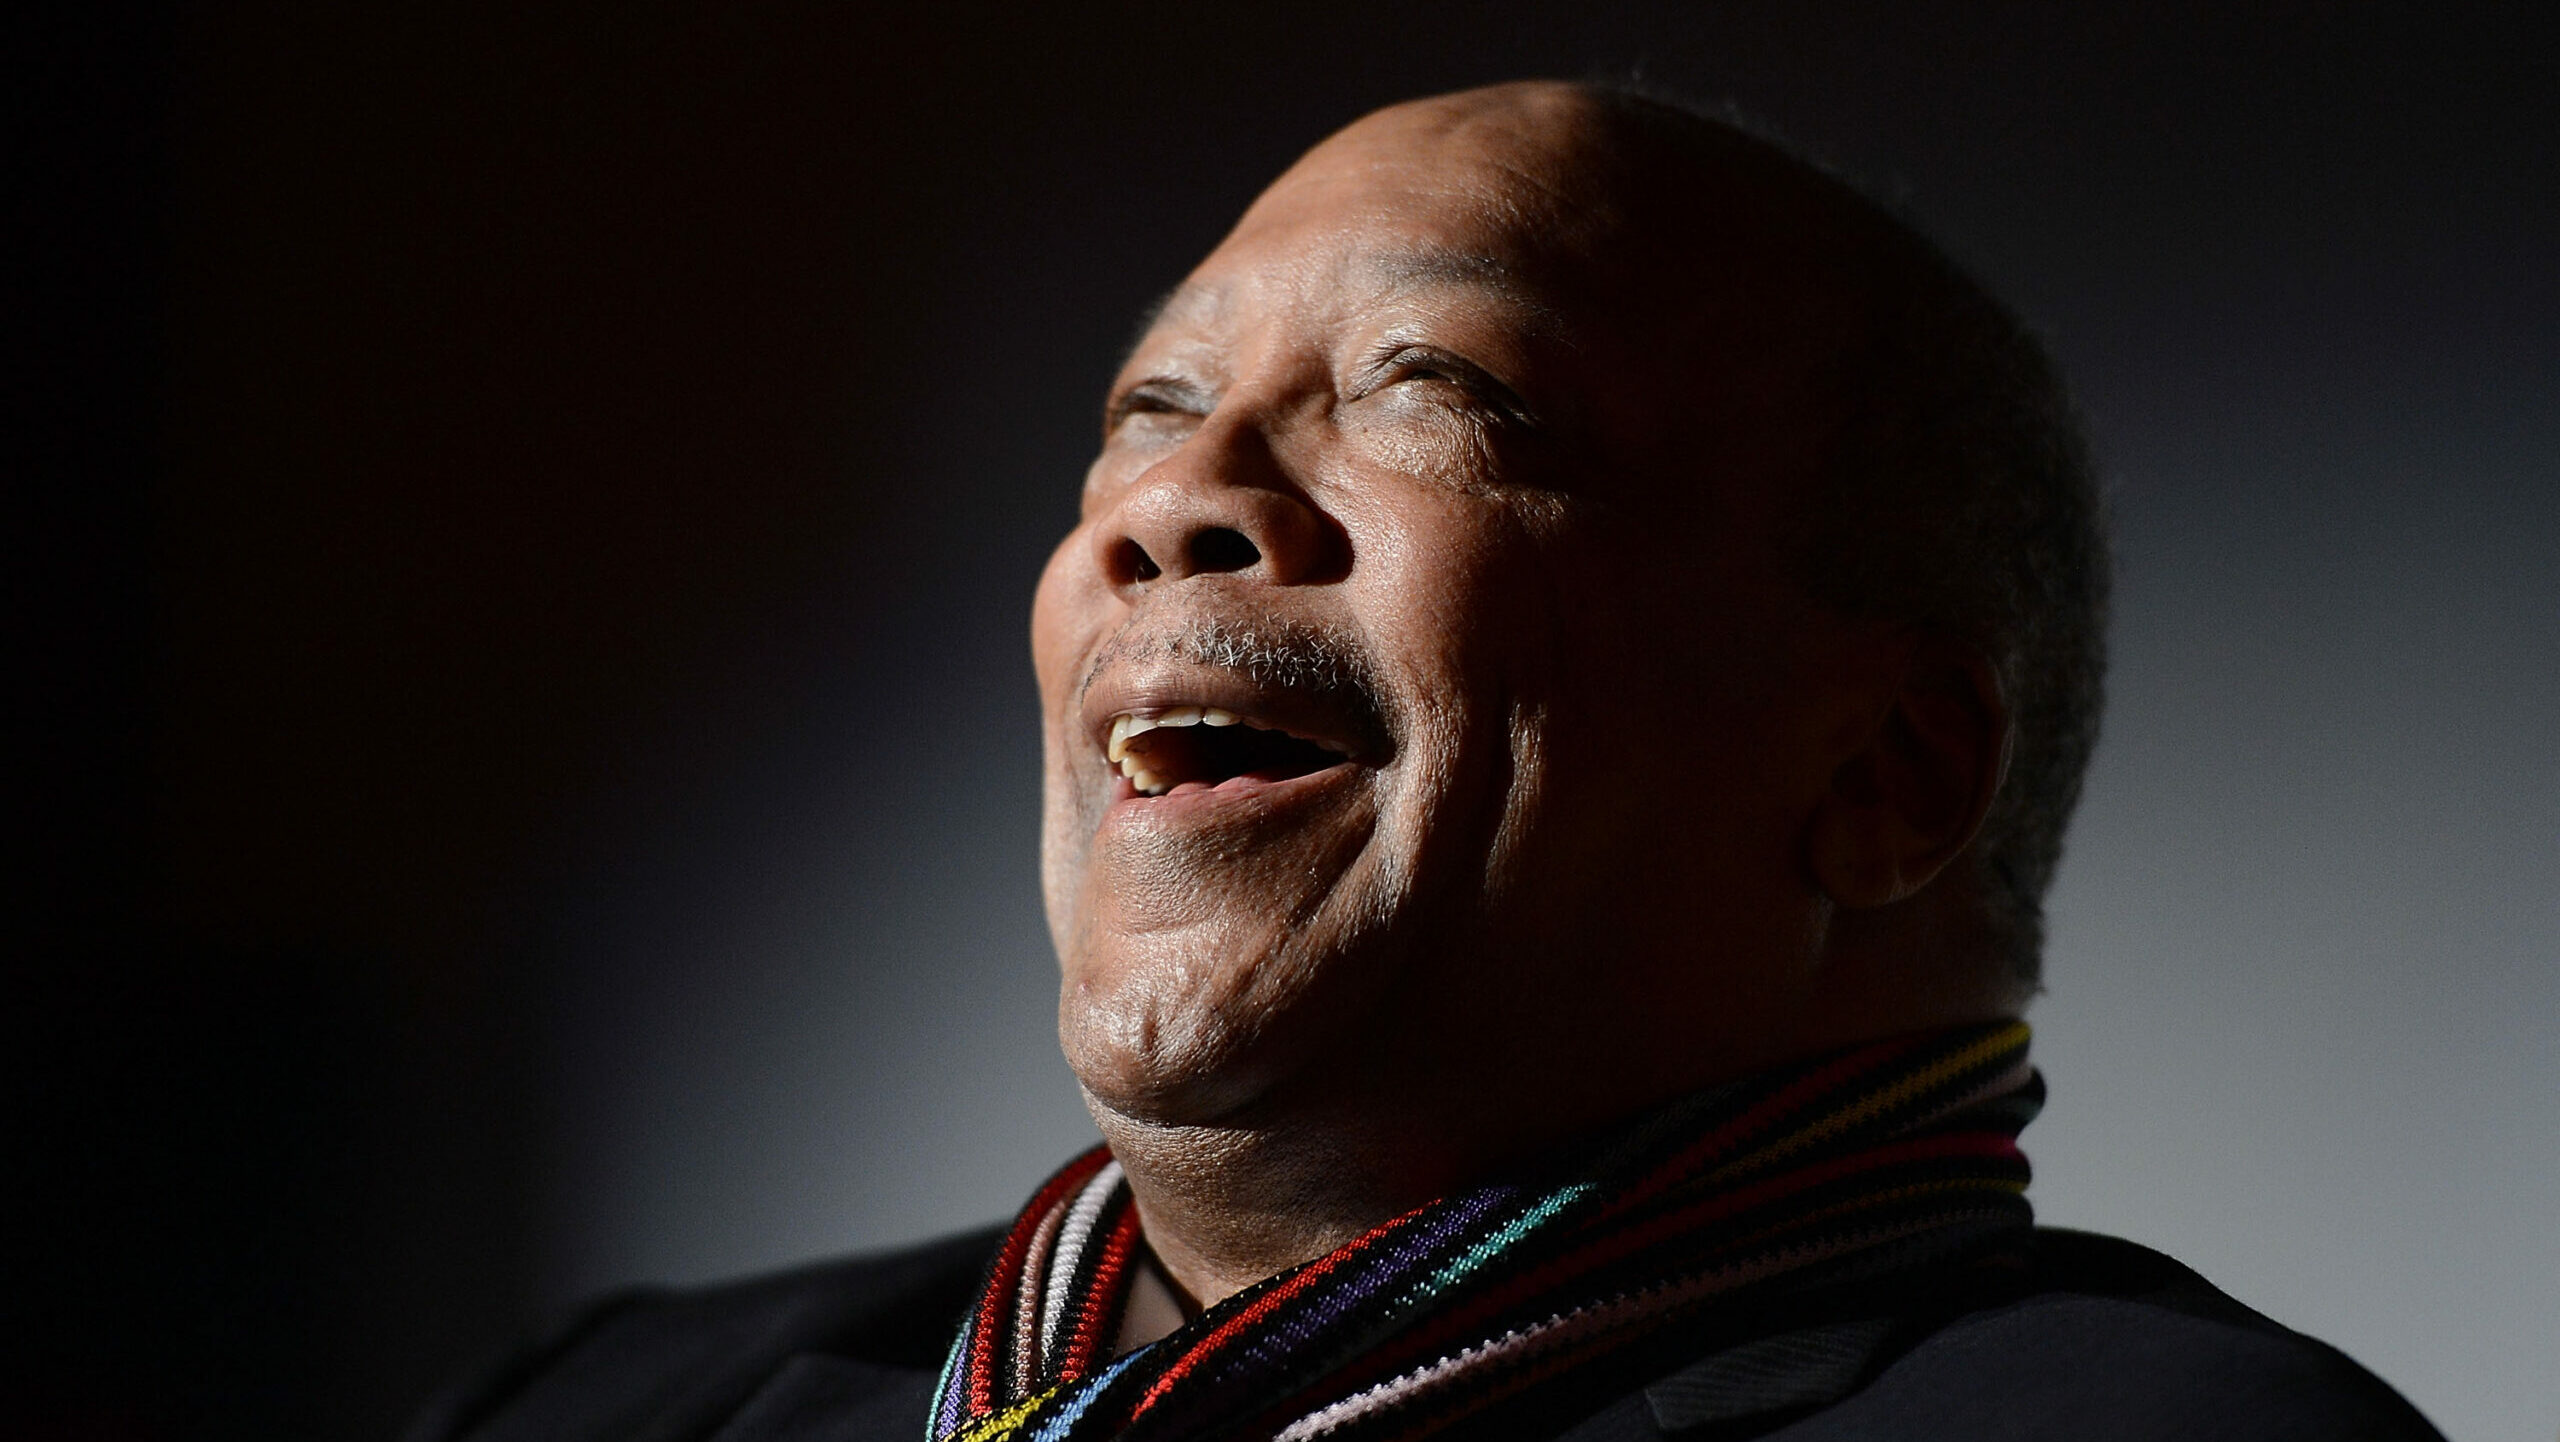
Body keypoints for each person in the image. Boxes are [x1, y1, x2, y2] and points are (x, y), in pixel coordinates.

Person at [410, 81, 2446, 1441]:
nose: (1175, 500)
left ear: (1890, 773)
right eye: (1148, 408)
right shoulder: (615, 1405)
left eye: (1435, 388)